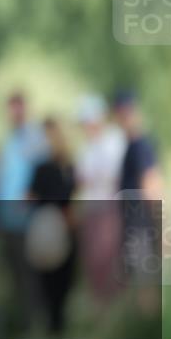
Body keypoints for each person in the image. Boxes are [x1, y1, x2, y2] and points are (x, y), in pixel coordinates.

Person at [0, 91, 48, 333]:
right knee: (16, 275)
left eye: (17, 107)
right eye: (10, 108)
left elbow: (44, 174)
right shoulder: (10, 140)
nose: (14, 113)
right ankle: (27, 325)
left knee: (31, 274)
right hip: (8, 219)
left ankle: (39, 326)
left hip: (27, 218)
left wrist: (30, 199)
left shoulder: (34, 137)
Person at [113, 90, 163, 315]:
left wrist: (161, 229)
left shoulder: (141, 145)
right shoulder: (130, 145)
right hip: (134, 223)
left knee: (146, 285)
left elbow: (152, 186)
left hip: (142, 223)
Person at [74, 94, 126, 306]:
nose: (88, 126)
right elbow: (82, 179)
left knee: (110, 259)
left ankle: (116, 311)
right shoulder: (85, 148)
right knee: (93, 262)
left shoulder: (115, 139)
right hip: (92, 210)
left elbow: (113, 176)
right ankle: (100, 310)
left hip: (110, 209)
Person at [27, 118, 77, 336]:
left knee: (62, 278)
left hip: (64, 225)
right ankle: (54, 326)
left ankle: (59, 324)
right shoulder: (41, 167)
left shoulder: (67, 165)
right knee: (49, 278)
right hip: (47, 226)